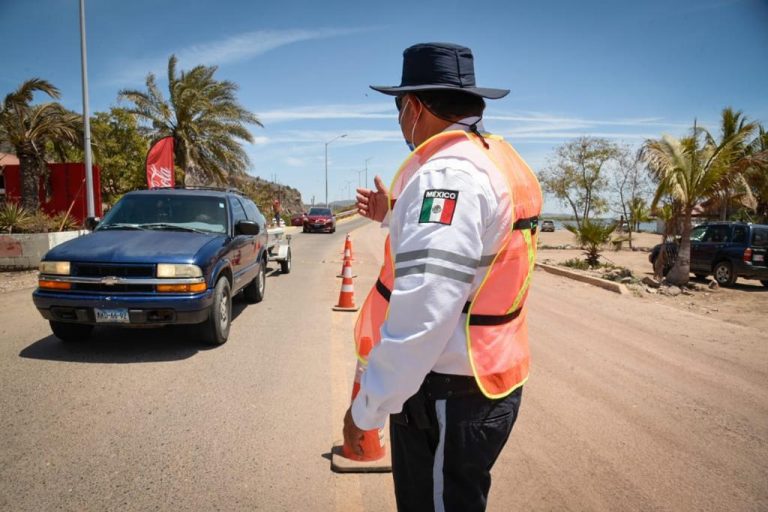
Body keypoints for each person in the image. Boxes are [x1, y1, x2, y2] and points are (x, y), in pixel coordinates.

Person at [342, 42, 543, 511]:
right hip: (487, 379)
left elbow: (424, 318)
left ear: (414, 107)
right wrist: (394, 215)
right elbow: (474, 247)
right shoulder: (493, 157)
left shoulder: (446, 176)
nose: (398, 123)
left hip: (448, 395)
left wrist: (366, 411)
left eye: (397, 108)